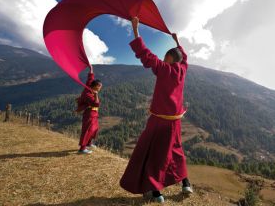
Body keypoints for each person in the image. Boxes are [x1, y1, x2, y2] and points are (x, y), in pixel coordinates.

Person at [119, 17, 193, 203]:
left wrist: (135, 29)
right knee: (175, 150)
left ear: (169, 58)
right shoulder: (183, 70)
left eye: (165, 56)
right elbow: (184, 56)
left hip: (159, 122)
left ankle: (156, 192)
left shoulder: (163, 69)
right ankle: (186, 183)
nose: (162, 58)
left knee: (154, 153)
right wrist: (177, 42)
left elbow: (144, 53)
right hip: (175, 121)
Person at [77, 65, 102, 154]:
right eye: (99, 86)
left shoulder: (89, 86)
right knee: (87, 130)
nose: (100, 88)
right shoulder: (88, 94)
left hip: (94, 114)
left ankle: (89, 143)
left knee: (94, 129)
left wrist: (91, 69)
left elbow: (90, 79)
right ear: (95, 86)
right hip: (89, 114)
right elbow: (96, 104)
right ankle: (82, 148)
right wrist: (96, 95)